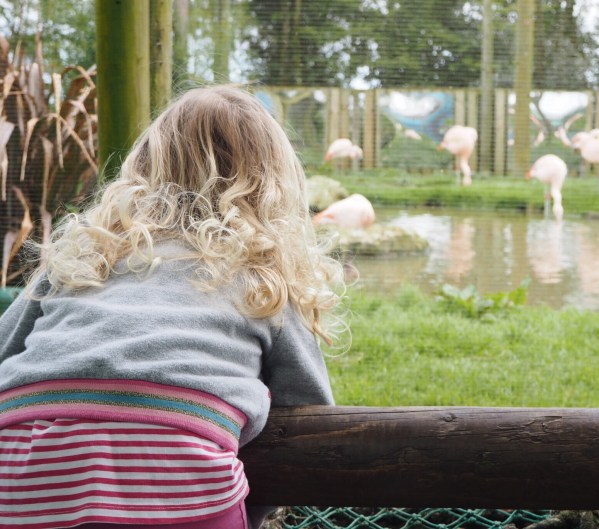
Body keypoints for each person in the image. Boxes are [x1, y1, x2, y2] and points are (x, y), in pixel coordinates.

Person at [0, 85, 345, 529]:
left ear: (144, 165)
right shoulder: (263, 276)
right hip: (178, 476)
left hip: (23, 466)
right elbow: (310, 411)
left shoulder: (84, 258)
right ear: (272, 180)